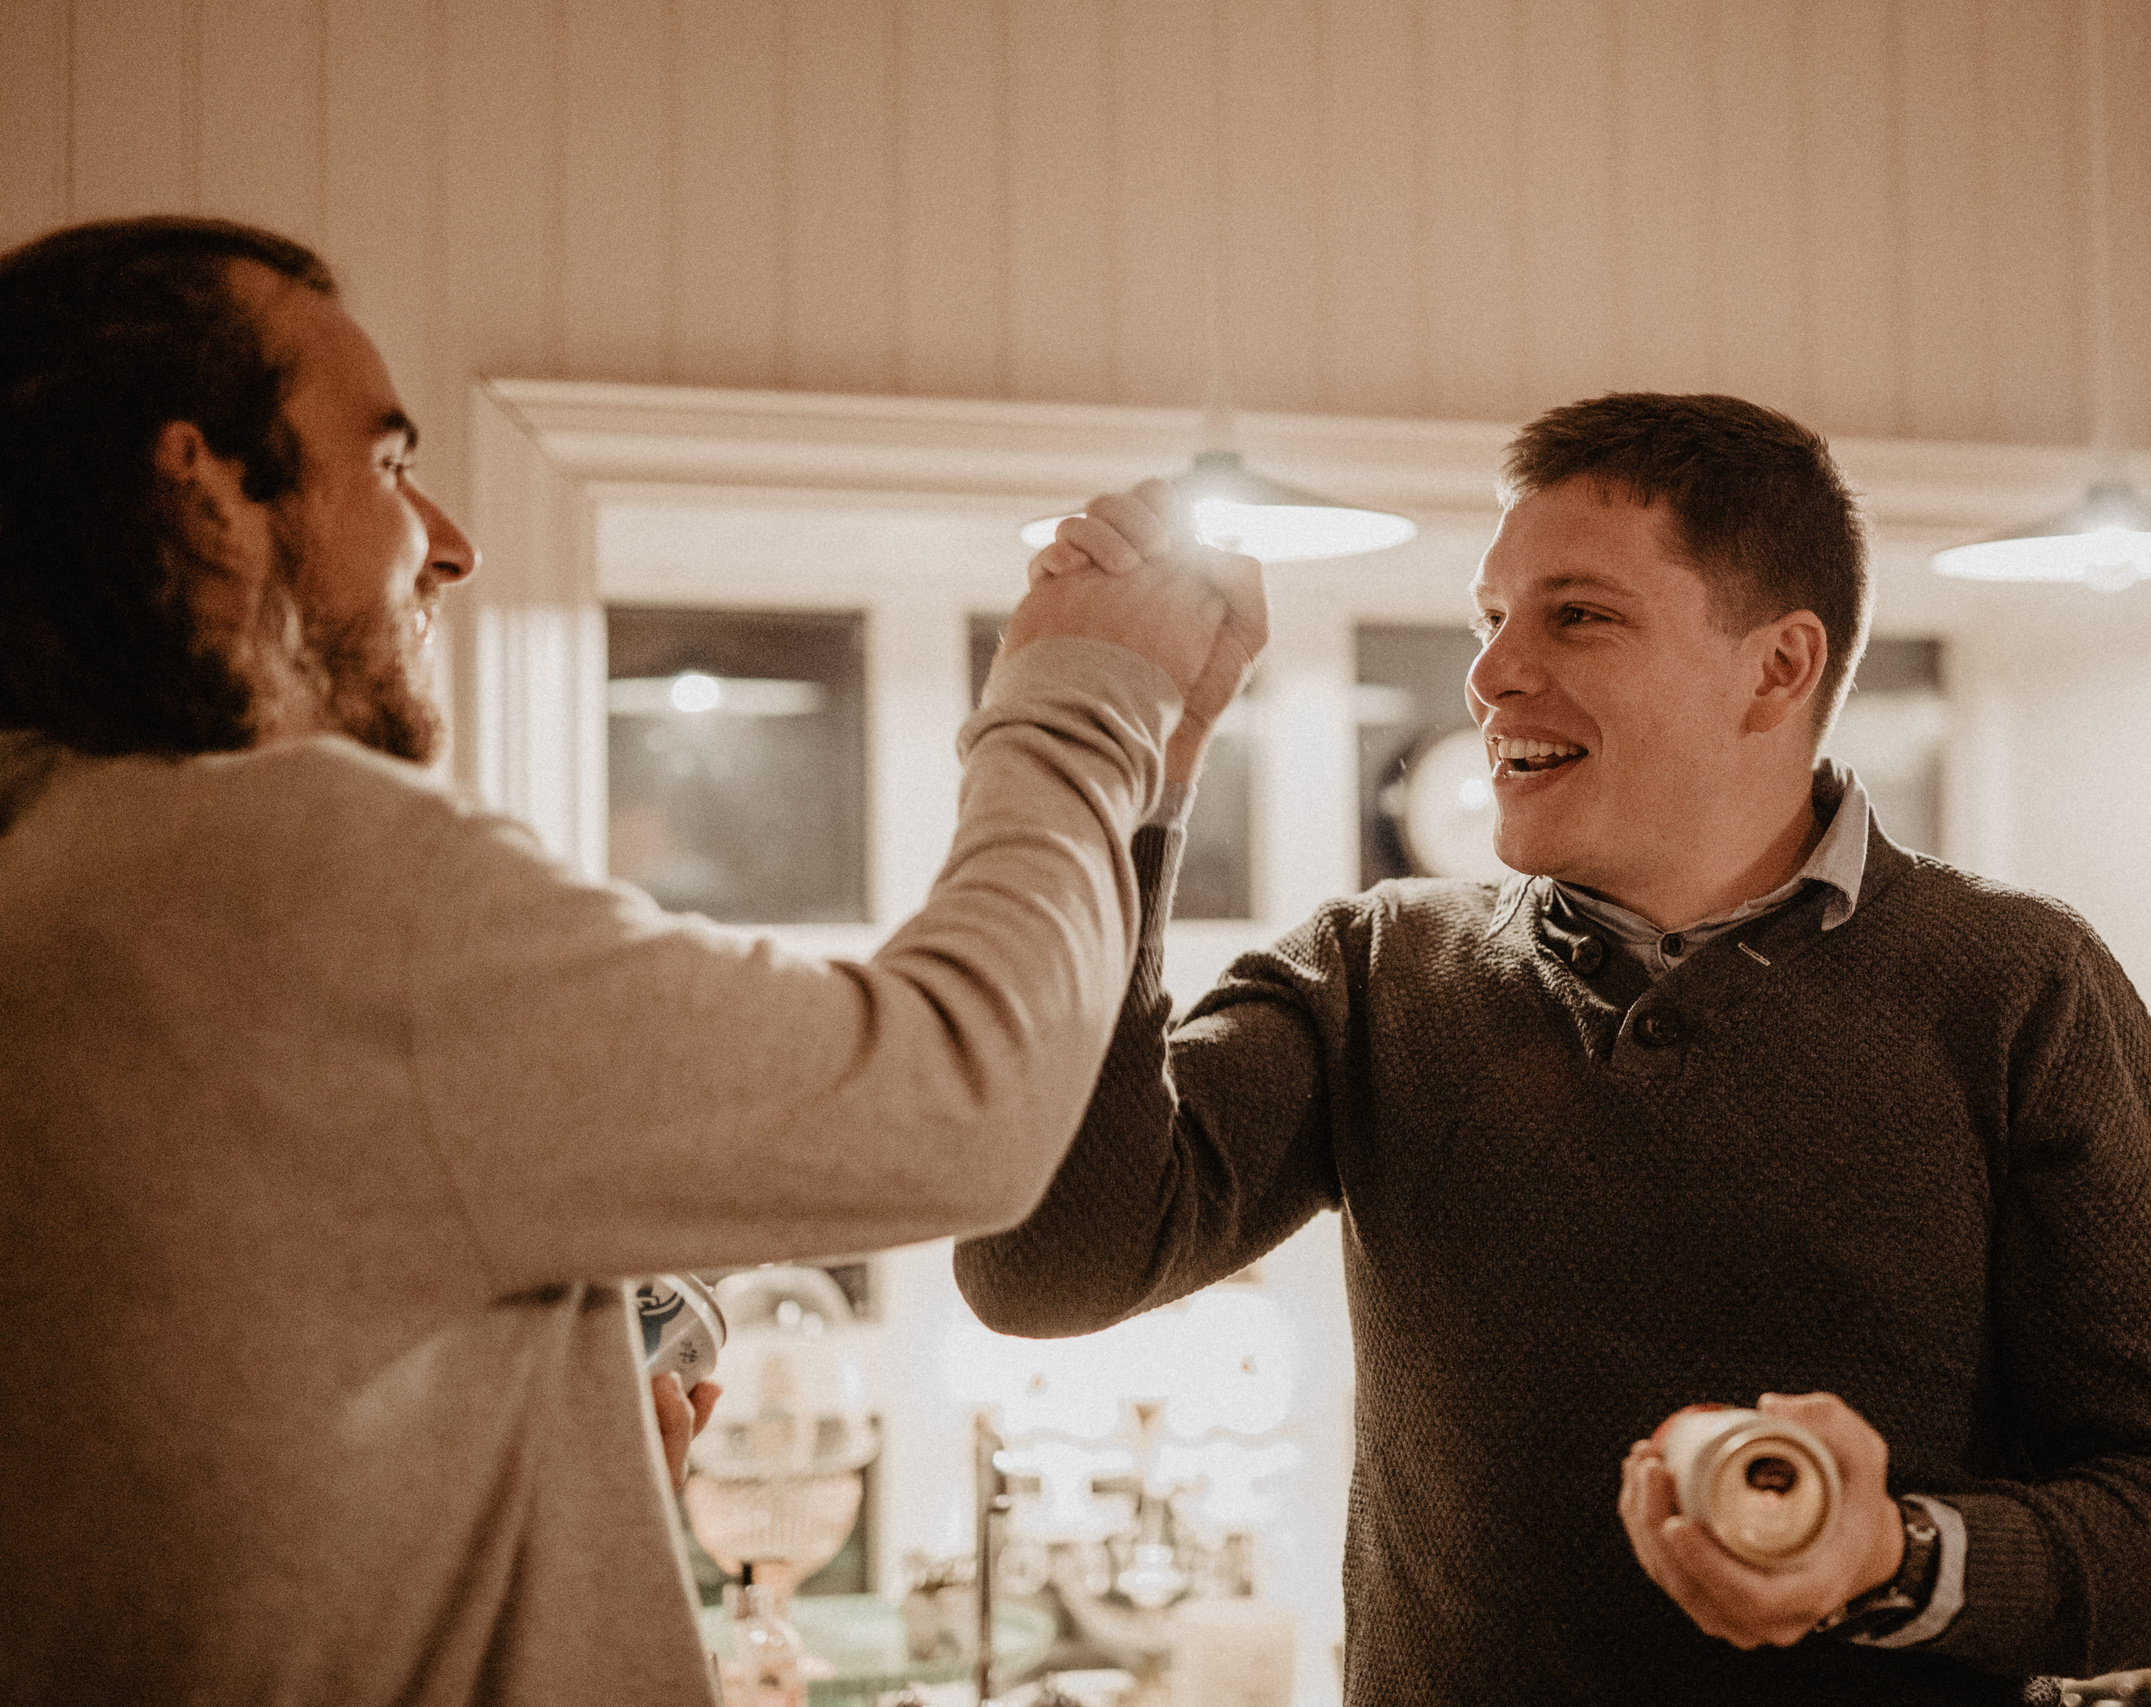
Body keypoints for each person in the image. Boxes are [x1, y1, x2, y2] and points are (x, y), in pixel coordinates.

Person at [0, 216, 1262, 1706]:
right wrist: (1081, 698)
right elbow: (959, 1096)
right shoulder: (276, 864)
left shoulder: (59, 865)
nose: (449, 544)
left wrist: (550, 1459)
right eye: (391, 465)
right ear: (202, 487)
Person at [957, 394, 2151, 1705]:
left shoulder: (2017, 985)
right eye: (1492, 619)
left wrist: (1897, 1556)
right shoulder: (1373, 975)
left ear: (1778, 668)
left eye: (1575, 614)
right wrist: (1126, 787)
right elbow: (1048, 1263)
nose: (1489, 674)